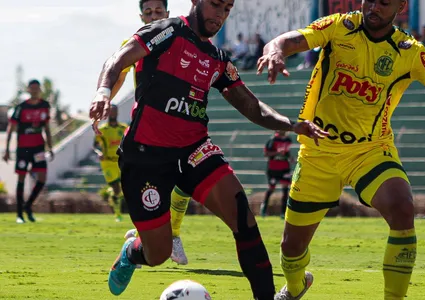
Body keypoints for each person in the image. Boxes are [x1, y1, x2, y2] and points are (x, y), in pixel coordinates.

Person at [257, 0, 425, 299]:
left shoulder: (410, 52)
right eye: (368, 0)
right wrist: (276, 51)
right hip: (318, 152)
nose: (372, 7)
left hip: (370, 151)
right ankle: (295, 287)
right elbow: (286, 40)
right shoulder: (339, 27)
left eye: (383, 2)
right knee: (291, 249)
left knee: (402, 208)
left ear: (400, 6)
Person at [88, 0, 327, 299]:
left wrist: (292, 125)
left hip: (194, 150)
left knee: (244, 219)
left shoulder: (217, 58)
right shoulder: (167, 31)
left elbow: (250, 105)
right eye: (215, 5)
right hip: (145, 155)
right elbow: (119, 59)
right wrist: (102, 92)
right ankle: (133, 252)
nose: (221, 14)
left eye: (227, 8)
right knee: (159, 252)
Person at [111, 0, 191, 265]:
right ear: (141, 16)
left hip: (182, 121)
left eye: (159, 12)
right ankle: (150, 235)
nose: (154, 16)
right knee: (151, 185)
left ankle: (172, 234)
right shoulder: (134, 43)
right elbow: (118, 75)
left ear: (167, 14)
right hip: (147, 127)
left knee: (186, 181)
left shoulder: (180, 38)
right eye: (149, 12)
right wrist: (103, 98)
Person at [2, 79, 53, 224]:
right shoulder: (21, 107)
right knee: (21, 179)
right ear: (28, 90)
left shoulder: (45, 106)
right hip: (23, 149)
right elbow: (10, 129)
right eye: (32, 88)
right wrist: (6, 150)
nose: (35, 90)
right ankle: (19, 214)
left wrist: (50, 146)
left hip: (39, 148)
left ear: (40, 89)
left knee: (42, 179)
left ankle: (28, 205)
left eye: (37, 88)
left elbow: (47, 129)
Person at [93, 104, 128, 222]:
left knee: (123, 188)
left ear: (117, 113)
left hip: (120, 161)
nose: (112, 113)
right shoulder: (102, 129)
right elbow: (95, 146)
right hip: (107, 162)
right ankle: (117, 214)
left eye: (114, 111)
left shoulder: (124, 128)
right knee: (116, 188)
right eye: (110, 111)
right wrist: (98, 152)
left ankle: (111, 194)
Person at [260, 130, 294, 218]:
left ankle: (283, 212)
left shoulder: (288, 140)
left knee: (285, 189)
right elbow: (266, 153)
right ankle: (264, 208)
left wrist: (290, 158)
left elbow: (287, 152)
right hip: (273, 168)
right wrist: (277, 153)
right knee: (271, 188)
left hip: (285, 168)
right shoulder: (272, 140)